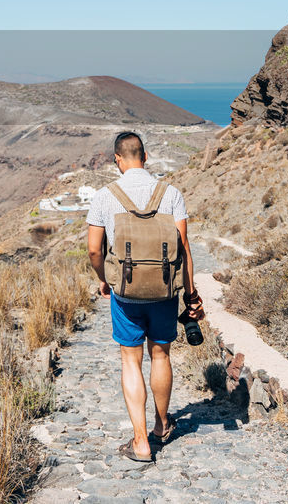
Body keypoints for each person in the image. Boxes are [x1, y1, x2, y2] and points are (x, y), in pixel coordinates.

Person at [86, 131, 200, 462]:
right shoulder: (171, 193)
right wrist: (190, 294)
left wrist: (104, 279)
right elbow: (184, 247)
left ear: (118, 160)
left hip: (125, 293)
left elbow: (94, 249)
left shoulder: (105, 196)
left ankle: (140, 442)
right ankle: (162, 426)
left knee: (130, 360)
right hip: (164, 292)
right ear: (145, 156)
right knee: (160, 355)